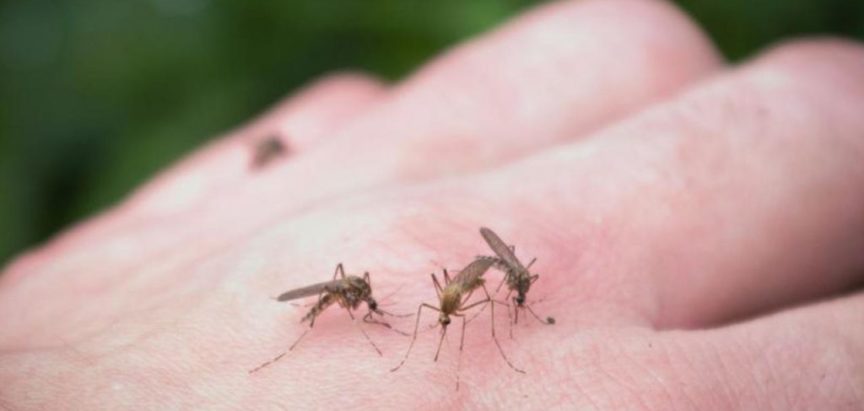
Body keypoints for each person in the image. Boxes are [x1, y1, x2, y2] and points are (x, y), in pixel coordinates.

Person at [2, 0, 863, 408]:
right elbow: (446, 283)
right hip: (449, 278)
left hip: (483, 272)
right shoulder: (432, 297)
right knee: (351, 296)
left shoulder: (479, 287)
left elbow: (482, 270)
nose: (429, 313)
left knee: (473, 292)